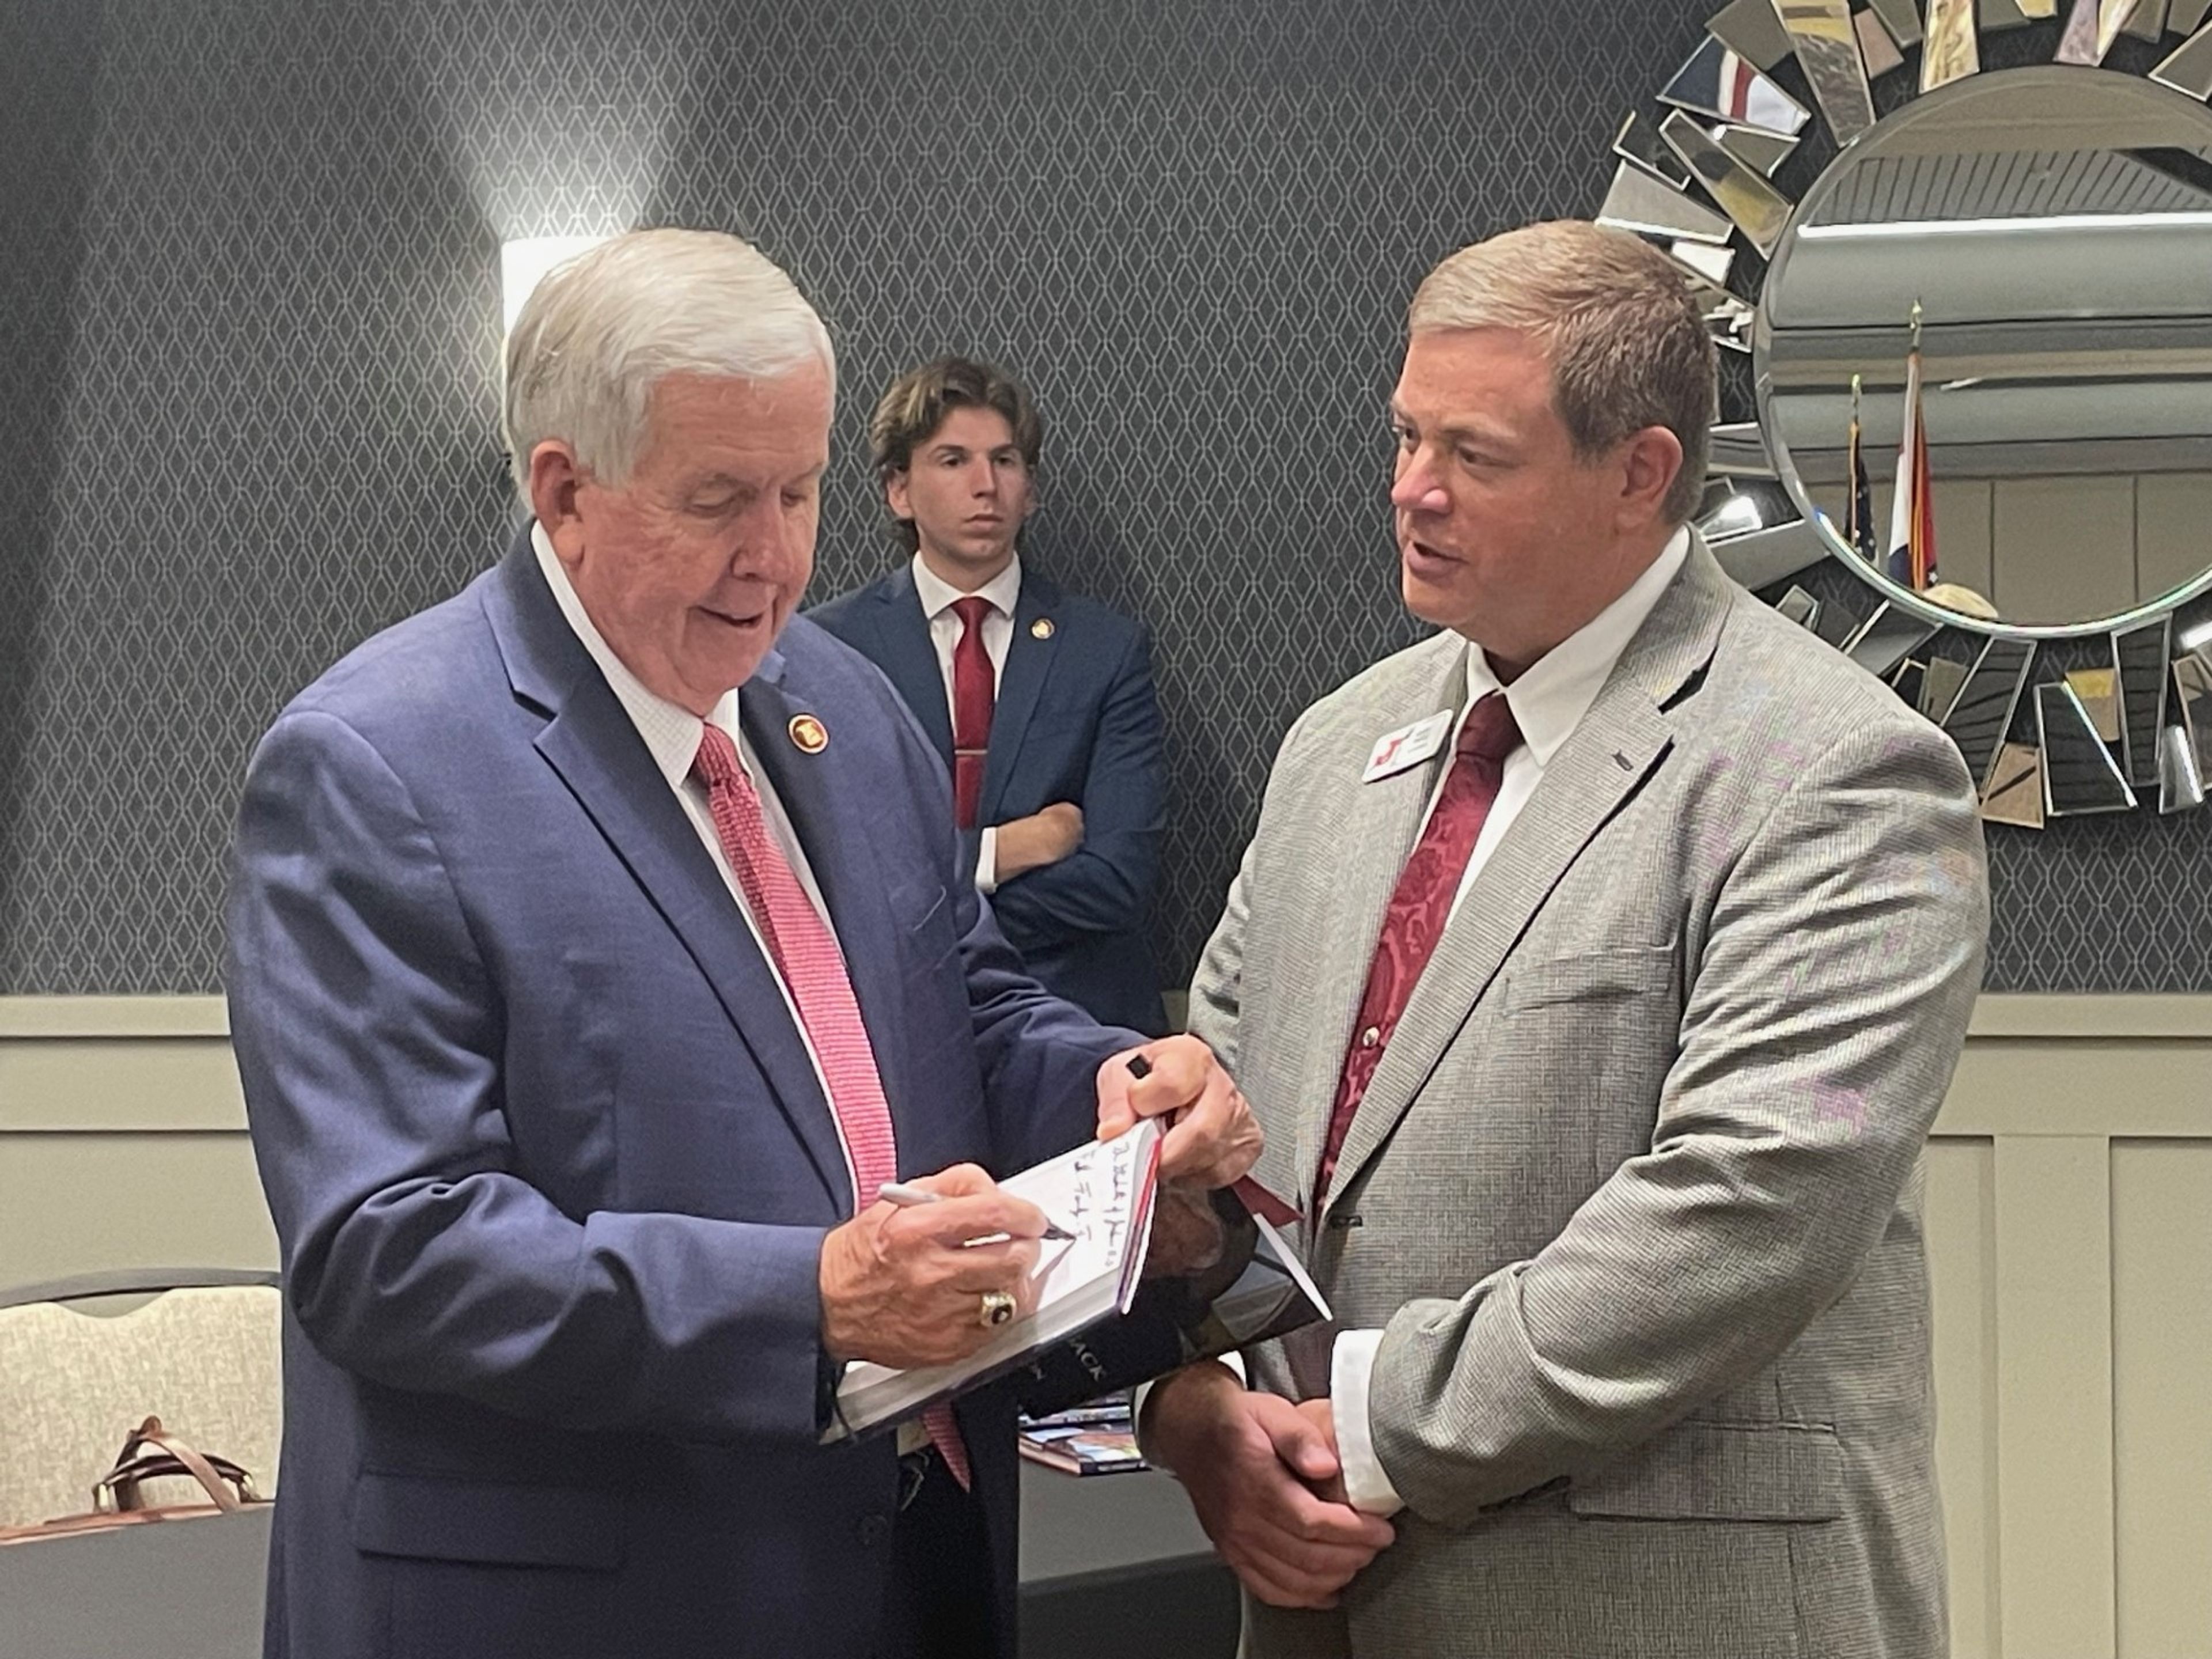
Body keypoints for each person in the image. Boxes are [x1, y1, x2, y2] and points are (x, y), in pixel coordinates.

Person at [225, 228, 1257, 1659]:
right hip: (584, 1604)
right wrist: (811, 1301)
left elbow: (964, 1008)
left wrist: (1115, 1084)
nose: (772, 560)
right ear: (563, 490)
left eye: (799, 488)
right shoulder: (373, 764)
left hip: (910, 1567)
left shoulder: (837, 706)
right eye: (716, 500)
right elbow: (387, 1247)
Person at [1141, 221, 1990, 1659]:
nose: (1410, 491)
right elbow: (1228, 1155)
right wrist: (1192, 1409)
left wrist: (1356, 1417)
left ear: (1638, 474)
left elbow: (1744, 1214)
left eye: (1474, 455)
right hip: (1310, 1597)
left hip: (1660, 1605)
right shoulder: (1332, 746)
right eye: (1404, 436)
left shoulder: (1835, 768)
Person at [810, 357, 1168, 1033]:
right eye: (952, 461)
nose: (986, 486)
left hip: (1082, 1026)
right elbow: (833, 874)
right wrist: (1004, 852)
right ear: (898, 490)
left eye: (1005, 461)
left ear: (1030, 489)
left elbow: (1119, 881)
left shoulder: (1105, 648)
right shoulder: (827, 651)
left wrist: (924, 915)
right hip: (898, 1028)